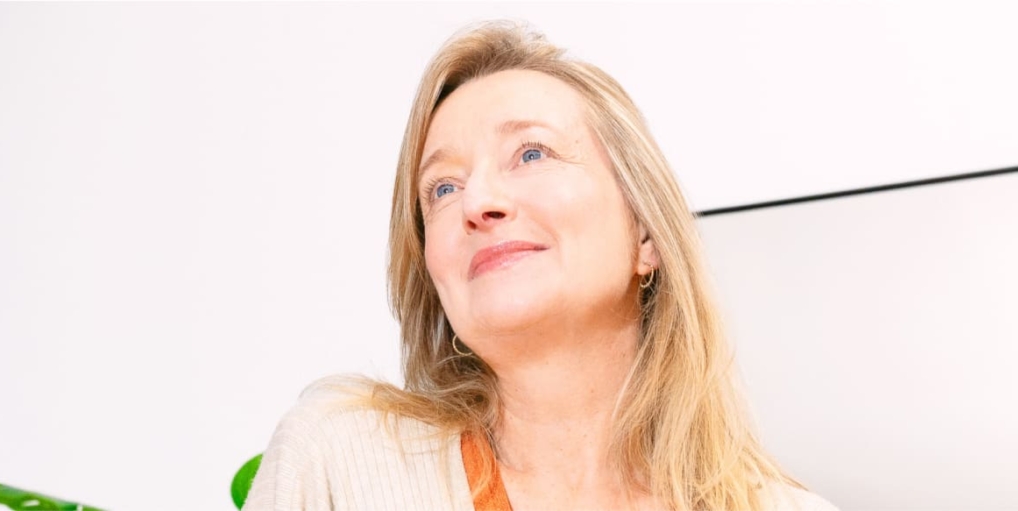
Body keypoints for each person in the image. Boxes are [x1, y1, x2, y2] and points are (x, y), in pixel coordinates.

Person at [243, 20, 840, 511]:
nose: (477, 202)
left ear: (645, 233)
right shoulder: (336, 460)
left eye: (531, 153)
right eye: (443, 188)